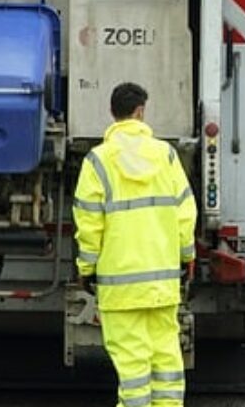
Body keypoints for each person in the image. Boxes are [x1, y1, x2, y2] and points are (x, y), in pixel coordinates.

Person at [72, 82, 198, 407]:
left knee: (132, 369)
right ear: (141, 112)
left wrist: (86, 269)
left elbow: (89, 222)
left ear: (112, 113)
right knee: (167, 359)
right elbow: (186, 212)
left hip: (119, 289)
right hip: (162, 284)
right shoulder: (166, 155)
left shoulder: (98, 161)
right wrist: (187, 256)